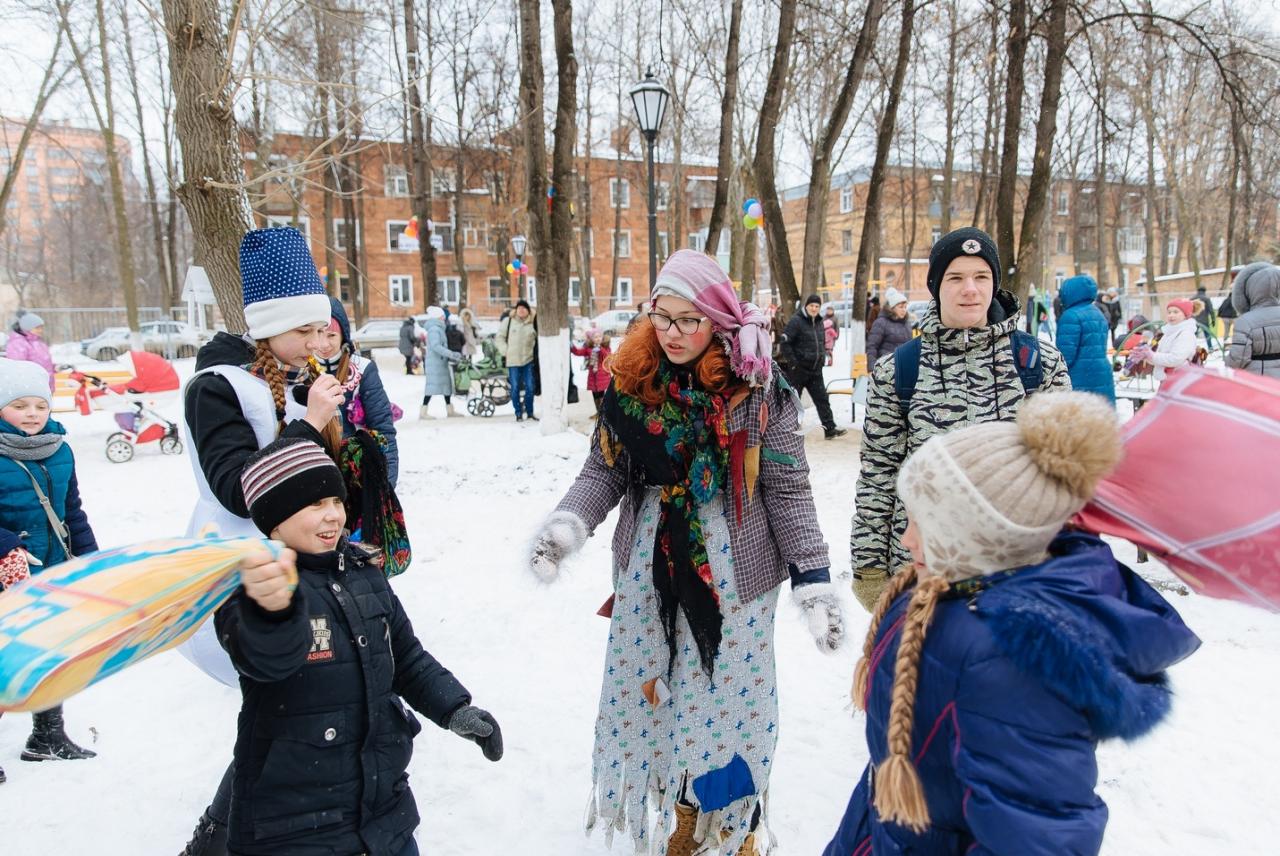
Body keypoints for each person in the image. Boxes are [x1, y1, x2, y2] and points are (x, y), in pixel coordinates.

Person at [527, 249, 844, 856]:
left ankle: (735, 822)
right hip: (651, 570)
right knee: (660, 693)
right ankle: (682, 808)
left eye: (689, 320)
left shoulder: (759, 389)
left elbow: (787, 487)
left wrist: (813, 576)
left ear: (718, 319)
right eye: (662, 318)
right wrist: (566, 527)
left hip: (738, 576)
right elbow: (603, 471)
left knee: (731, 703)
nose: (673, 334)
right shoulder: (632, 383)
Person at [824, 392, 1200, 856]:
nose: (906, 539)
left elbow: (1038, 836)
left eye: (925, 524)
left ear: (984, 540)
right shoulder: (942, 593)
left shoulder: (1008, 659)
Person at [217, 437, 502, 856]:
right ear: (274, 520)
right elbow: (266, 659)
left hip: (383, 809)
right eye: (314, 504)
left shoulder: (363, 573)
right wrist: (274, 609)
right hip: (293, 827)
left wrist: (454, 708)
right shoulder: (253, 588)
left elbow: (405, 656)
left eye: (336, 499)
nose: (333, 514)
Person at [179, 226, 344, 854]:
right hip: (240, 567)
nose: (316, 343)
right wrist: (310, 422)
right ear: (267, 326)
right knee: (277, 706)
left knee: (299, 700)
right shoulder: (217, 387)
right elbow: (236, 488)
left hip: (298, 560)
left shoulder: (284, 376)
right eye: (303, 331)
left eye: (320, 329)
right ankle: (223, 833)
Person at [851, 227, 1070, 612]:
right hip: (923, 572)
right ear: (936, 286)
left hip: (1016, 574)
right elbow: (879, 474)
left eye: (981, 276)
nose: (970, 289)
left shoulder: (1038, 365)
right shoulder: (898, 371)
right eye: (955, 278)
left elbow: (1064, 476)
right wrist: (869, 567)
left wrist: (1066, 560)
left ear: (995, 283)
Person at [0, 358, 99, 784]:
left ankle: (47, 736)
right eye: (19, 405)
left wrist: (93, 559)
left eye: (39, 405)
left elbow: (71, 511)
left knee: (48, 653)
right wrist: (7, 549)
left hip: (52, 570)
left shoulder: (61, 450)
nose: (32, 414)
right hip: (6, 571)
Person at [314, 297, 399, 485]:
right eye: (318, 333)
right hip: (314, 471)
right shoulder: (302, 369)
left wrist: (387, 483)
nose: (324, 344)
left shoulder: (362, 368)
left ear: (343, 335)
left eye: (331, 335)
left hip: (357, 473)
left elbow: (382, 427)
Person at [781, 294, 847, 439]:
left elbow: (821, 342)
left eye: (817, 306)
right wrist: (794, 363)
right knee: (793, 402)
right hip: (799, 370)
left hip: (815, 370)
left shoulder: (819, 322)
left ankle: (830, 429)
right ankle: (787, 430)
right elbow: (785, 342)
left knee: (822, 399)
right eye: (812, 305)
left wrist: (823, 356)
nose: (814, 308)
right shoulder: (796, 321)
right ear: (806, 306)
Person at [1055, 274, 1116, 404]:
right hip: (1101, 373)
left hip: (1080, 376)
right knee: (1099, 417)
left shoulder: (1070, 316)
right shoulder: (1097, 312)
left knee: (1079, 419)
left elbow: (1065, 356)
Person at [1224, 262, 1280, 379]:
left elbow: (1237, 360)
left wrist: (1226, 360)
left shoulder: (1245, 321)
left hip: (1257, 383)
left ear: (1249, 289)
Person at [1133, 298, 1198, 385]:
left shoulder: (1185, 334)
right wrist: (1146, 356)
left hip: (1179, 381)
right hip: (1168, 379)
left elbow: (1176, 359)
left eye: (1176, 312)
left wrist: (1152, 356)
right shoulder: (1169, 333)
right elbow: (1160, 356)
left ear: (1186, 315)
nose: (1171, 315)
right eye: (1169, 312)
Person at [498, 299, 537, 422]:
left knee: (530, 387)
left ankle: (530, 412)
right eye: (519, 308)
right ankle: (518, 413)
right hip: (513, 361)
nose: (521, 310)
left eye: (524, 308)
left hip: (528, 360)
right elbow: (500, 338)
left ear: (528, 311)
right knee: (514, 388)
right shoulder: (508, 321)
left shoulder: (533, 323)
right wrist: (505, 351)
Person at [420, 305, 462, 418]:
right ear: (438, 317)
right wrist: (450, 354)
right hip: (435, 363)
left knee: (445, 387)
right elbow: (436, 346)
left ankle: (450, 410)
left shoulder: (438, 328)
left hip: (440, 362)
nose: (444, 317)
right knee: (431, 387)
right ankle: (423, 412)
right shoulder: (434, 329)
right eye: (442, 315)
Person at [5, 313, 55, 392]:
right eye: (37, 328)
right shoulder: (18, 344)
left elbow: (44, 364)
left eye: (41, 327)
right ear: (27, 328)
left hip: (45, 386)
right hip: (30, 388)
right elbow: (17, 367)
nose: (40, 330)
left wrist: (55, 367)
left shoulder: (39, 343)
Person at [865, 287, 912, 367]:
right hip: (886, 368)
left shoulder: (906, 323)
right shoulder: (881, 323)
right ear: (892, 308)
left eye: (905, 307)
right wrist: (872, 369)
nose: (904, 310)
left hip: (904, 367)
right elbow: (872, 347)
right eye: (900, 307)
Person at [570, 327, 612, 412]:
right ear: (592, 339)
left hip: (602, 376)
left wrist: (600, 349)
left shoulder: (606, 347)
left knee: (602, 396)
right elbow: (578, 352)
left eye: (599, 337)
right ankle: (598, 412)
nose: (598, 339)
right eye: (595, 337)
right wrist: (572, 347)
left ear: (602, 337)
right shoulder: (589, 349)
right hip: (592, 377)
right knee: (595, 395)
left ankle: (603, 414)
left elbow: (607, 356)